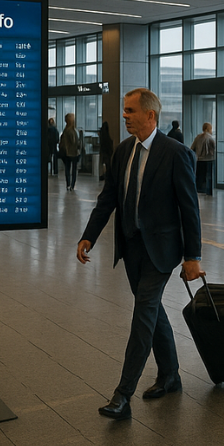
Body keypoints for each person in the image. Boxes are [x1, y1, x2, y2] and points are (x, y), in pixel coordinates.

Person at [76, 88, 204, 420]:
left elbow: (190, 210)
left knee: (144, 313)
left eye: (130, 111)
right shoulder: (122, 152)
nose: (124, 116)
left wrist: (193, 257)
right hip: (132, 248)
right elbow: (109, 199)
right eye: (125, 111)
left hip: (162, 251)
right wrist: (89, 236)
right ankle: (170, 373)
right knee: (152, 310)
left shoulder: (175, 153)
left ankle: (123, 394)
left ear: (150, 115)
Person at [190, 122, 215, 195]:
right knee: (209, 176)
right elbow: (213, 148)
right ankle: (208, 191)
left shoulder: (198, 137)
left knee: (200, 175)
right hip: (209, 159)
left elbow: (192, 148)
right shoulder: (210, 138)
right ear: (208, 129)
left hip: (199, 159)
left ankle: (199, 189)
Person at [59, 113, 81, 191]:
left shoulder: (65, 130)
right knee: (74, 169)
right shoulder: (73, 131)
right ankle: (72, 185)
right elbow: (75, 142)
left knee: (67, 169)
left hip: (66, 153)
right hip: (73, 153)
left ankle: (68, 184)